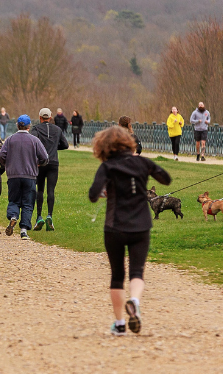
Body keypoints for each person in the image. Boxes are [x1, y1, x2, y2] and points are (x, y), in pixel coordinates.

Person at [88, 126, 172, 336]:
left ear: (103, 147)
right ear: (129, 143)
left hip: (115, 226)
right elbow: (166, 179)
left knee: (117, 275)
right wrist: (148, 170)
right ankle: (134, 300)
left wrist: (103, 193)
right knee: (137, 271)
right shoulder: (143, 162)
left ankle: (119, 324)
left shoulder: (107, 167)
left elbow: (92, 194)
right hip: (141, 225)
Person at [0, 115, 48, 240]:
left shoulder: (10, 140)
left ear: (17, 125)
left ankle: (13, 216)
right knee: (28, 203)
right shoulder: (34, 140)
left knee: (14, 200)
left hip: (13, 175)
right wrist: (38, 163)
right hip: (29, 176)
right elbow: (45, 157)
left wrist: (8, 164)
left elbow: (1, 156)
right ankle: (24, 230)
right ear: (29, 126)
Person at [30, 108, 69, 231]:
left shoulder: (36, 129)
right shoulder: (57, 129)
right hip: (53, 162)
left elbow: (33, 142)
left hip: (40, 163)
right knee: (51, 190)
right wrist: (54, 147)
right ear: (50, 117)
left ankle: (39, 217)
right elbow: (65, 145)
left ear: (40, 117)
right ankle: (50, 216)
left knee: (40, 190)